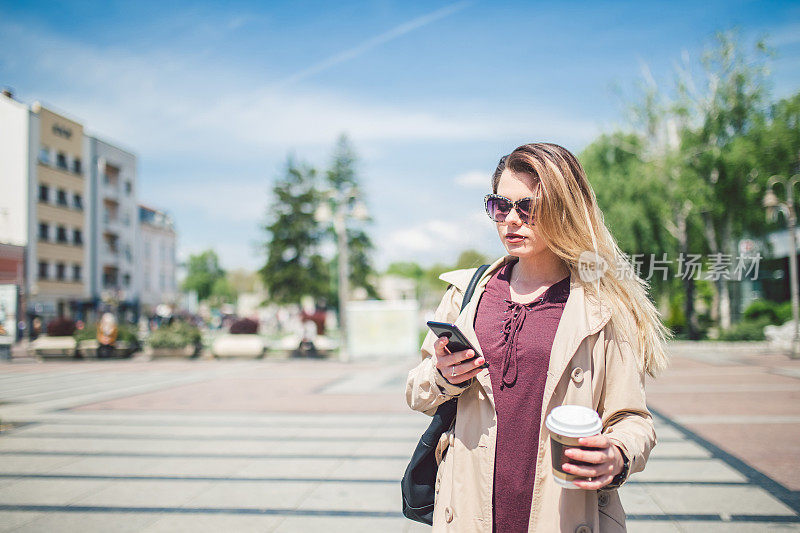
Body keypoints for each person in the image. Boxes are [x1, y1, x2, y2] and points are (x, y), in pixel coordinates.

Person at [406, 143, 671, 532]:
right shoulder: (466, 294)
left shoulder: (602, 306)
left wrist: (616, 454)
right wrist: (443, 375)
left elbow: (632, 419)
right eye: (501, 206)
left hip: (562, 513)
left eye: (528, 207)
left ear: (564, 208)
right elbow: (416, 391)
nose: (512, 220)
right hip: (468, 513)